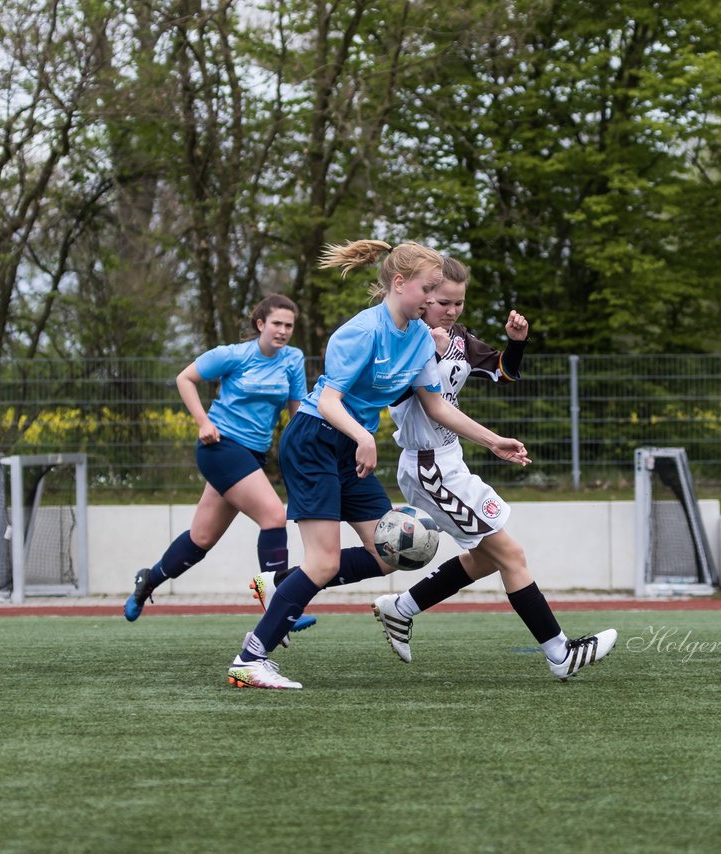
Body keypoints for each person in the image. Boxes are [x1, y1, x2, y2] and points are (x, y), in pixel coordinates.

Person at [225, 239, 529, 690]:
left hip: (350, 446)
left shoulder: (420, 340)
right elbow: (328, 400)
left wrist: (493, 441)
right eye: (428, 289)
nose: (433, 299)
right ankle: (250, 658)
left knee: (387, 556)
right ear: (400, 282)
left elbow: (437, 406)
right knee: (324, 562)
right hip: (314, 441)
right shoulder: (360, 331)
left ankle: (282, 584)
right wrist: (363, 435)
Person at [371, 257, 617, 679]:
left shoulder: (461, 339)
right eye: (443, 302)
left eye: (459, 303)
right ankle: (560, 654)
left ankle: (401, 607)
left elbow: (504, 372)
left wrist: (516, 342)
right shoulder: (404, 340)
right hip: (430, 468)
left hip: (450, 461)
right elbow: (391, 395)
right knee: (511, 554)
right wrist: (491, 438)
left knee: (486, 559)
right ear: (422, 297)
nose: (451, 311)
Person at [123, 294, 315, 641]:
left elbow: (296, 410)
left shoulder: (293, 360)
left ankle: (147, 580)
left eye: (289, 325)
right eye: (277, 324)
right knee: (273, 515)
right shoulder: (233, 355)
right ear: (261, 324)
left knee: (201, 539)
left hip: (253, 456)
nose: (283, 331)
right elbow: (185, 378)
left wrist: (304, 450)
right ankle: (279, 603)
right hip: (220, 447)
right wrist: (202, 422)